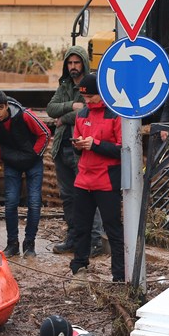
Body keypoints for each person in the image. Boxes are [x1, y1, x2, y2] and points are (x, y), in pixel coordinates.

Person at [46, 46, 104, 257]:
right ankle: (73, 237)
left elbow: (89, 111)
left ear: (84, 64)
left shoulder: (92, 84)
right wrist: (72, 106)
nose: (73, 67)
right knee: (69, 196)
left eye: (76, 63)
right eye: (69, 63)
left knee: (88, 195)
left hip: (82, 149)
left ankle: (95, 240)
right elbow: (51, 109)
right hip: (62, 147)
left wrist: (64, 117)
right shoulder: (65, 85)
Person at [68, 74, 125, 283]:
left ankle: (119, 275)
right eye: (85, 97)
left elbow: (122, 149)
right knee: (80, 227)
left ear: (102, 94)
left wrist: (96, 144)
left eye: (91, 96)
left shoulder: (115, 115)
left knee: (113, 229)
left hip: (106, 181)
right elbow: (79, 151)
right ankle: (78, 267)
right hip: (84, 179)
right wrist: (78, 145)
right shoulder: (81, 115)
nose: (87, 101)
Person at [0, 90, 50, 258]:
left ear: (7, 106)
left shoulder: (25, 115)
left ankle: (30, 243)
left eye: (1, 108)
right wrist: (6, 157)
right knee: (11, 203)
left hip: (33, 162)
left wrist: (34, 154)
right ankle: (12, 243)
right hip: (12, 163)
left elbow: (45, 133)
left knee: (34, 203)